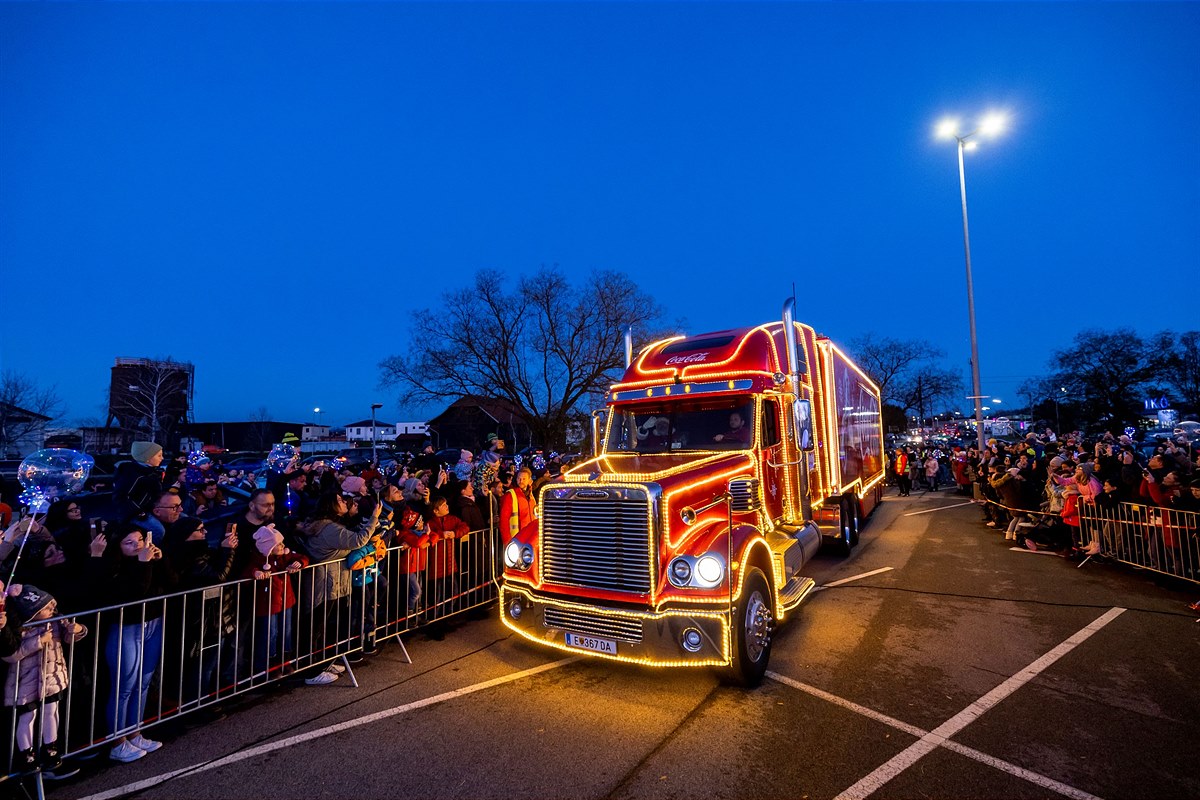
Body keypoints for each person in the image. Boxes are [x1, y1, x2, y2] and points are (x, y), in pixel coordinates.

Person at [101, 521, 176, 763]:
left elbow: (172, 582)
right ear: (118, 545)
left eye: (140, 541)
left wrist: (160, 559)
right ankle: (117, 740)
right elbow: (136, 592)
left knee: (143, 682)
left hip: (153, 622)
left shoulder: (149, 560)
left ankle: (135, 732)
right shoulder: (115, 567)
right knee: (124, 684)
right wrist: (143, 563)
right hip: (126, 627)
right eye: (129, 543)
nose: (136, 546)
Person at [3, 584, 87, 774]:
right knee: (27, 718)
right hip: (25, 683)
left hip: (52, 678)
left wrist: (78, 629)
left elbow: (70, 637)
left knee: (51, 712)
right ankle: (26, 754)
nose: (52, 610)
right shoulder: (21, 629)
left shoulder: (56, 620)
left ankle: (51, 748)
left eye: (51, 605)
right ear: (33, 613)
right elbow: (11, 654)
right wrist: (38, 643)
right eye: (46, 608)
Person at [243, 525, 307, 678]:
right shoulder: (258, 560)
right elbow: (246, 571)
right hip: (268, 604)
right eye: (279, 544)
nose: (283, 546)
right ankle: (266, 666)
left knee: (286, 632)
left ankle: (285, 661)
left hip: (286, 601)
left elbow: (303, 557)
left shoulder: (284, 557)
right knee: (270, 634)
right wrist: (255, 573)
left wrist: (299, 563)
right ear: (268, 547)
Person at [113, 441, 165, 540]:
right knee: (158, 530)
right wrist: (139, 512)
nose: (162, 458)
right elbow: (120, 497)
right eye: (159, 455)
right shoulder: (132, 475)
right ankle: (147, 553)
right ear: (148, 458)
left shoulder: (151, 472)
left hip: (147, 509)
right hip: (133, 514)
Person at [500, 467, 536, 541]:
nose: (521, 481)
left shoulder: (531, 496)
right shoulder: (510, 495)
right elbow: (504, 520)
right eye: (519, 478)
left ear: (529, 480)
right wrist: (507, 540)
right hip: (516, 538)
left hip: (530, 537)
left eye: (524, 479)